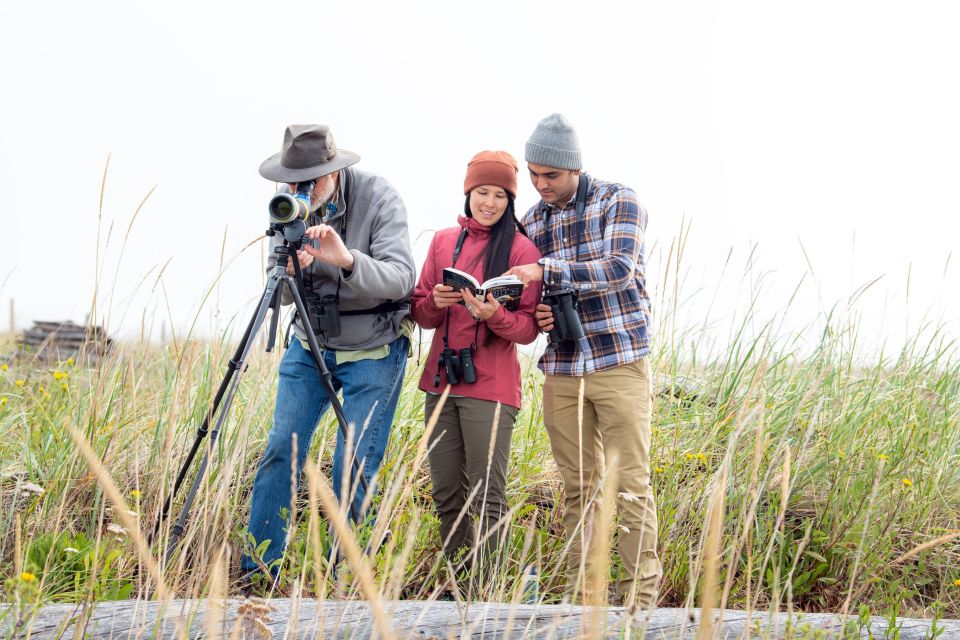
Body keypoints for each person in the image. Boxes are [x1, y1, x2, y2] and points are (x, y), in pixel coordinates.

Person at [241, 124, 415, 583]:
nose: (300, 190)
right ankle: (259, 572)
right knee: (281, 447)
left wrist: (346, 260)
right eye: (292, 181)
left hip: (372, 350)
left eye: (311, 181)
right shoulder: (286, 204)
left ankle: (346, 580)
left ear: (334, 172)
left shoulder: (380, 198)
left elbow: (402, 279)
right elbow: (275, 294)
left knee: (351, 462)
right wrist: (290, 268)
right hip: (309, 344)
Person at [506, 114, 662, 608]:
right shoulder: (532, 220)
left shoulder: (619, 200)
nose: (539, 184)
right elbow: (527, 293)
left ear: (574, 168)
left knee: (631, 485)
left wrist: (546, 270)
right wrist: (534, 307)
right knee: (577, 488)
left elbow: (618, 269)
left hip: (619, 362)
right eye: (533, 174)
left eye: (549, 175)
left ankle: (638, 602)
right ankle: (583, 600)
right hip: (563, 369)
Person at [411, 151, 542, 590]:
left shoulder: (523, 251)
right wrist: (435, 303)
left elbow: (527, 331)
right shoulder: (443, 240)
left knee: (487, 495)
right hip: (440, 381)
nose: (489, 202)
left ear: (510, 199)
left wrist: (493, 317)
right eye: (482, 192)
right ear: (468, 192)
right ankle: (457, 586)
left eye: (500, 195)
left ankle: (485, 597)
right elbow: (420, 313)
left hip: (492, 386)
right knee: (446, 493)